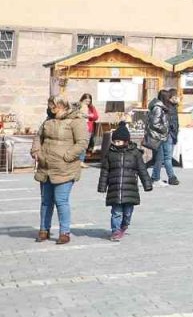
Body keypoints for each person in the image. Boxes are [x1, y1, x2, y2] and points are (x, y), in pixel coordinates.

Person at [31, 97, 89, 244]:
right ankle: (44, 230)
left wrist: (67, 156)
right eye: (50, 105)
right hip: (46, 166)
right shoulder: (47, 120)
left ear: (62, 105)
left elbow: (82, 142)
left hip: (65, 168)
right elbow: (39, 136)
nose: (51, 108)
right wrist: (36, 150)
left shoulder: (76, 120)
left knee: (61, 201)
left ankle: (64, 232)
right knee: (45, 201)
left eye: (54, 105)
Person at [97, 120, 153, 241]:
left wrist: (147, 184)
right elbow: (105, 171)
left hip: (130, 189)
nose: (116, 143)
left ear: (126, 141)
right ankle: (115, 231)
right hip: (115, 189)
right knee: (116, 212)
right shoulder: (110, 154)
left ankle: (125, 224)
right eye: (115, 141)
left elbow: (142, 169)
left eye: (119, 141)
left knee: (127, 212)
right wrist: (102, 186)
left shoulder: (135, 154)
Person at [147, 90, 179, 186]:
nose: (171, 99)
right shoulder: (161, 108)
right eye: (169, 97)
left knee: (160, 158)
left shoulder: (165, 107)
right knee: (165, 157)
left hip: (165, 134)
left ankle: (154, 177)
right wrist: (166, 128)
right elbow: (156, 123)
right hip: (164, 135)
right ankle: (170, 177)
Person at [79, 93, 99, 159]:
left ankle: (81, 160)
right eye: (86, 101)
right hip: (79, 127)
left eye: (89, 101)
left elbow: (96, 117)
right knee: (79, 144)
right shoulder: (78, 106)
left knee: (85, 145)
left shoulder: (91, 107)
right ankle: (78, 160)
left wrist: (90, 116)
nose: (87, 102)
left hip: (88, 128)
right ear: (82, 100)